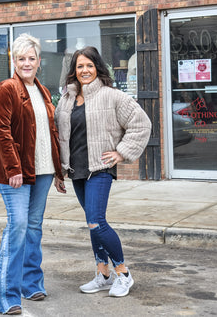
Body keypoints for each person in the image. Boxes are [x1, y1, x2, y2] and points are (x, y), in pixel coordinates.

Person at [55, 46, 151, 298]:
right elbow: (60, 136)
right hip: (76, 171)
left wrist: (121, 152)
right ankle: (104, 275)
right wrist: (58, 170)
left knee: (97, 221)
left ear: (97, 67)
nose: (84, 70)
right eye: (80, 66)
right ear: (73, 71)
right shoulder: (66, 100)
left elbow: (141, 124)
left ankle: (123, 273)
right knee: (91, 224)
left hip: (100, 169)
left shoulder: (112, 96)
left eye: (89, 65)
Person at [0, 33, 65, 315]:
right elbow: (2, 133)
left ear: (39, 61)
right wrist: (13, 169)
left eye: (31, 58)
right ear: (14, 61)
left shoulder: (43, 91)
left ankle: (30, 283)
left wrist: (57, 171)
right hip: (17, 173)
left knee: (33, 227)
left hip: (43, 171)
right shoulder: (6, 89)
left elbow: (49, 134)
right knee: (18, 226)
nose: (27, 63)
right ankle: (5, 297)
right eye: (21, 58)